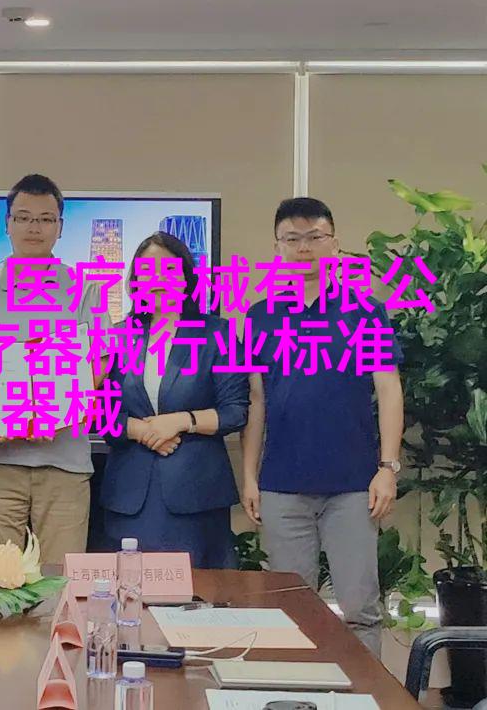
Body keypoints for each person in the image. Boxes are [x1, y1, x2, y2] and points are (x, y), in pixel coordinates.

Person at [241, 197, 404, 656]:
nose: (304, 248)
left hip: (353, 487)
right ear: (277, 247)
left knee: (359, 609)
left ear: (334, 243)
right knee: (290, 610)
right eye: (292, 239)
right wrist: (249, 476)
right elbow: (257, 401)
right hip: (282, 486)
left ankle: (364, 692)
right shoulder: (260, 316)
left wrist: (388, 468)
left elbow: (389, 390)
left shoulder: (365, 311)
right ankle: (298, 691)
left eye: (315, 237)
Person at [0, 174, 101, 565]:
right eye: (23, 217)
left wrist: (53, 413)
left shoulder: (84, 289)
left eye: (45, 219)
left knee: (59, 580)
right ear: (7, 224)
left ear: (60, 227)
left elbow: (98, 364)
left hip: (65, 462)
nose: (34, 228)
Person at [101, 233, 248, 568]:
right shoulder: (117, 336)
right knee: (132, 590)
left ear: (186, 278)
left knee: (198, 592)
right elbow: (98, 412)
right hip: (131, 497)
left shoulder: (216, 333)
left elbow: (236, 410)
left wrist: (182, 421)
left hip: (196, 496)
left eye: (168, 269)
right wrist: (141, 430)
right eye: (147, 270)